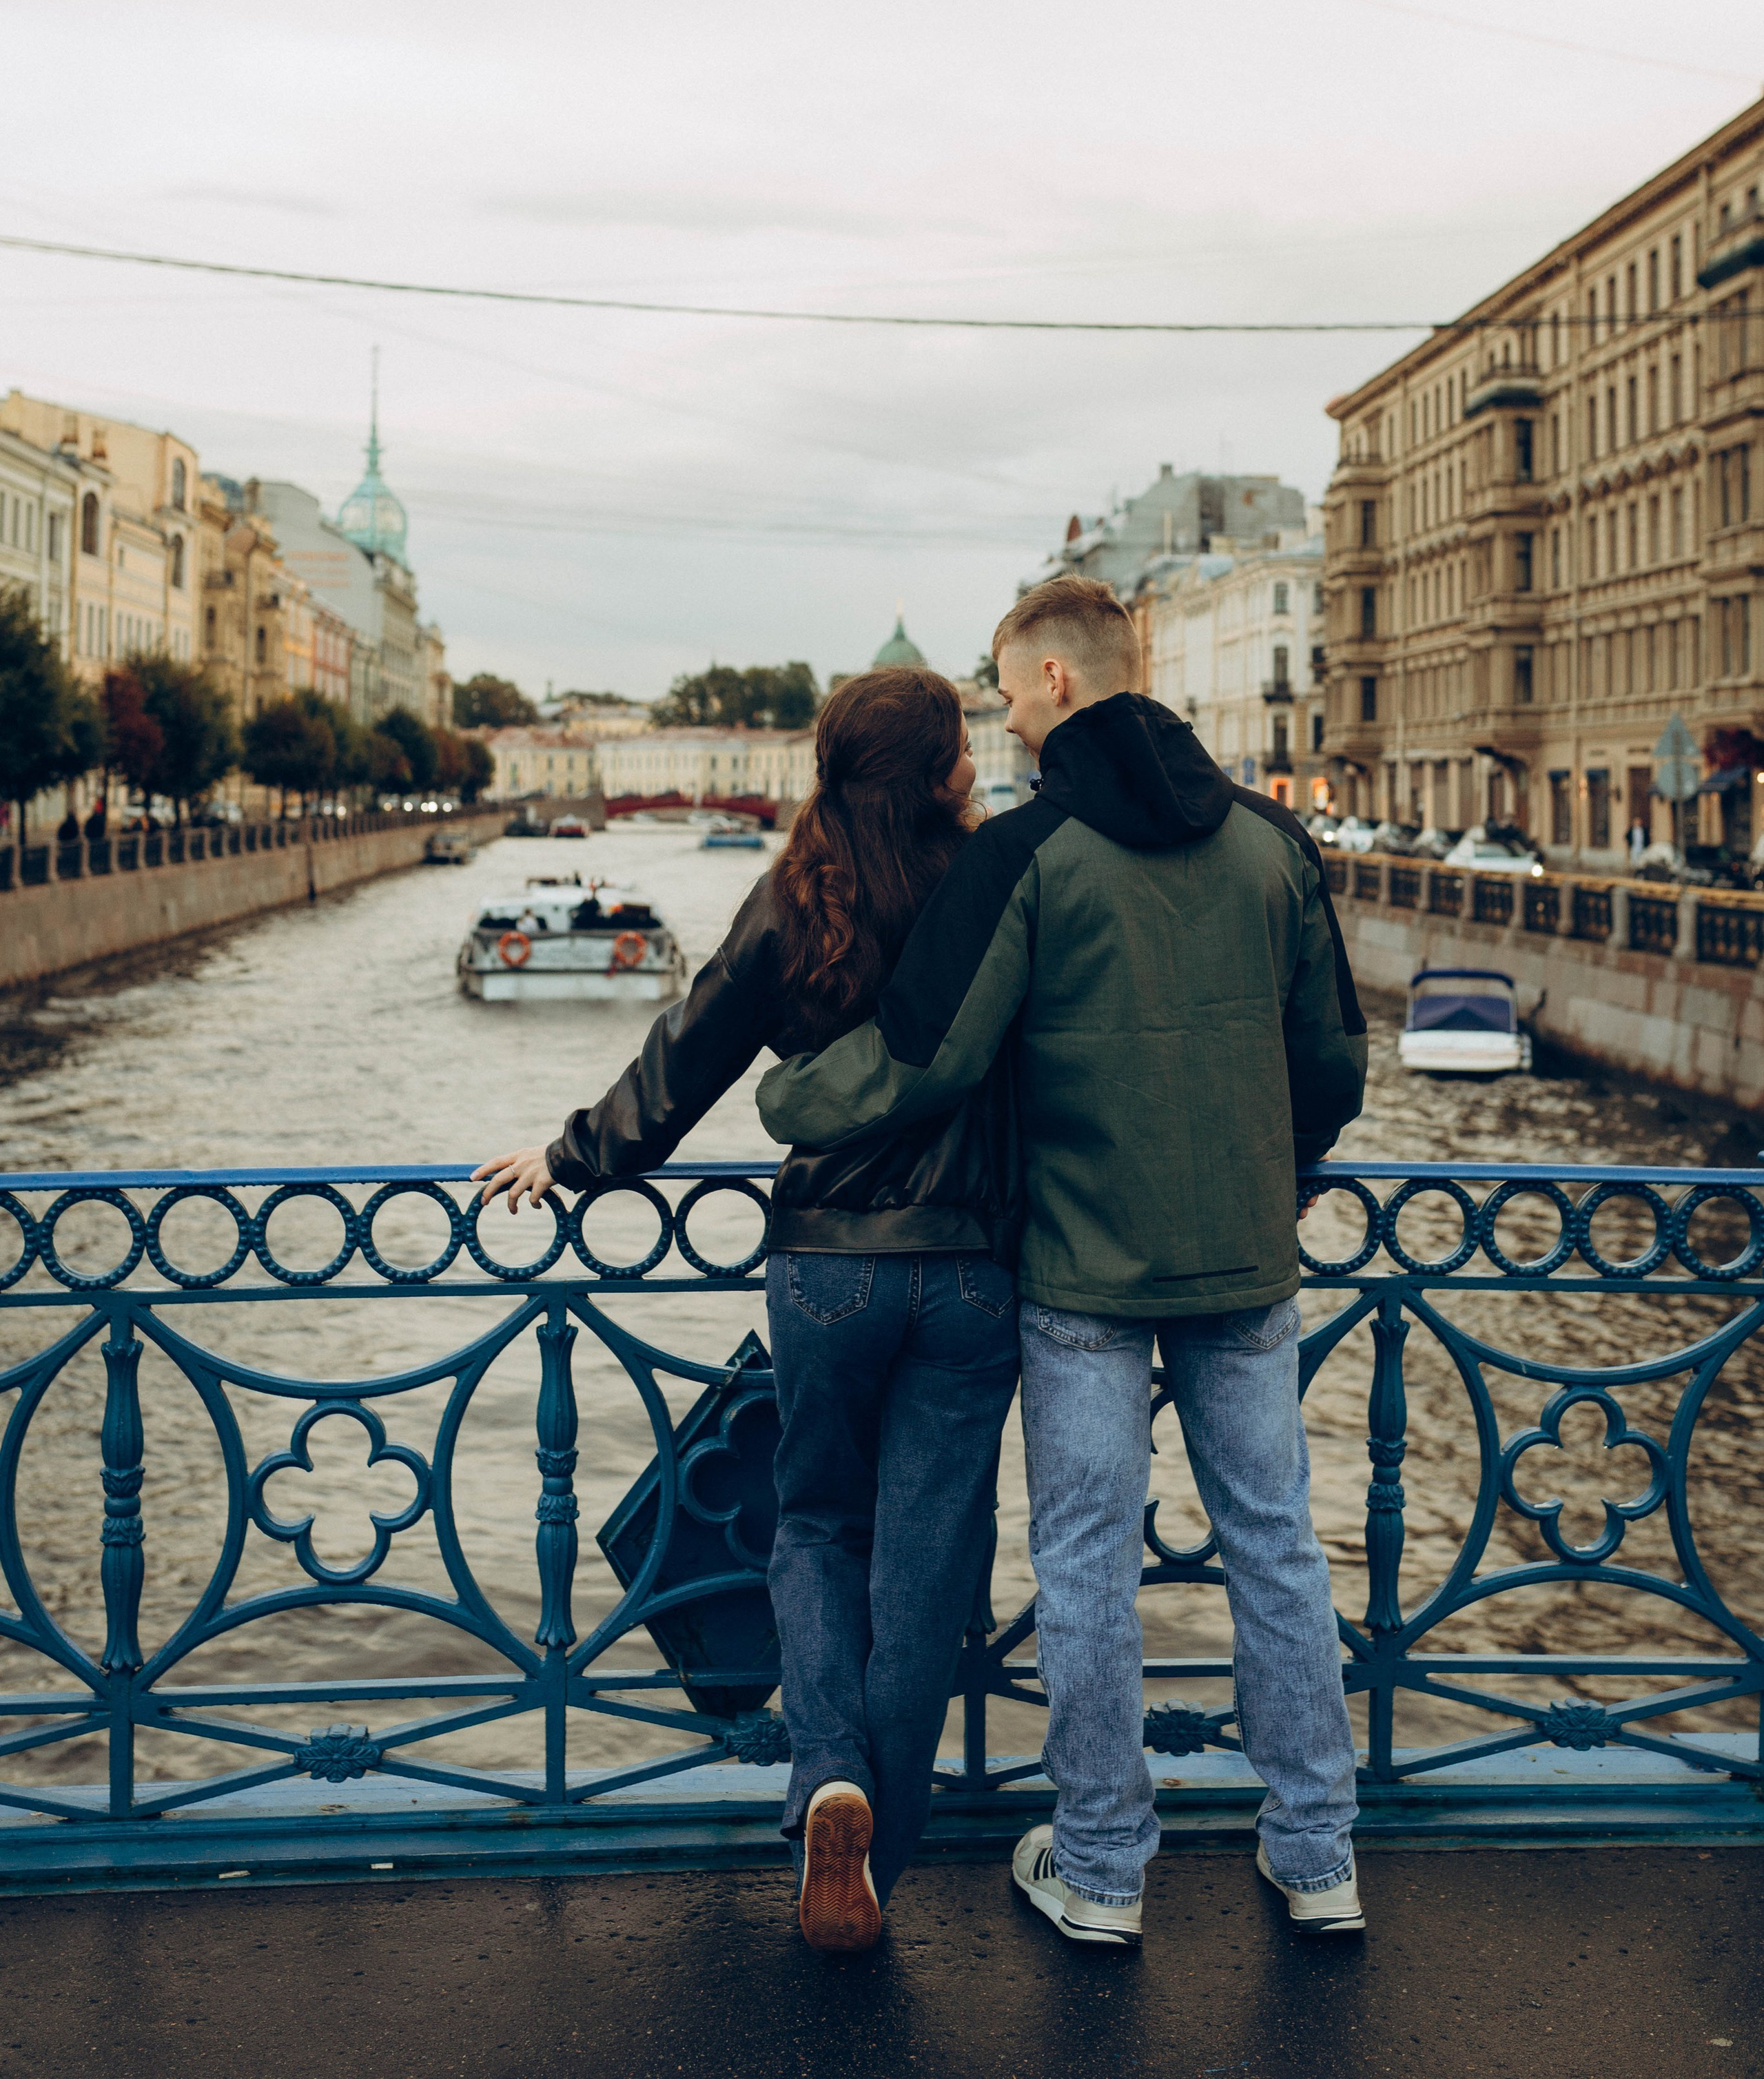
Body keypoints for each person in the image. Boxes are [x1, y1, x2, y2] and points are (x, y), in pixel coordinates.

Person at [759, 575, 1368, 1951]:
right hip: (1243, 1263)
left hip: (1080, 1273)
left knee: (1084, 1562)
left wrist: (786, 1105)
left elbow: (929, 1055)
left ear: (1047, 684)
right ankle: (1317, 1854)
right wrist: (1265, 1178)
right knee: (1275, 1548)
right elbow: (1332, 1063)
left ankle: (1098, 1870)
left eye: (1004, 682)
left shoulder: (1027, 853)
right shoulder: (1275, 843)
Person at [472, 667, 1020, 1952]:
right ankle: (878, 1845)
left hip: (828, 1263)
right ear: (941, 769)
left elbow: (693, 1049)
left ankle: (824, 1774)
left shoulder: (799, 892)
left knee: (819, 1524)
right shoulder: (998, 885)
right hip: (975, 1263)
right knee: (928, 1562)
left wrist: (572, 1154)